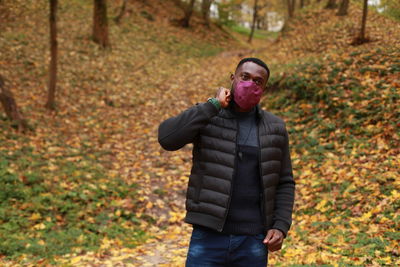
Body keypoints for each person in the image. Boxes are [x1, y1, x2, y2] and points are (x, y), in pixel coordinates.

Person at [158, 57, 295, 267]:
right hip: (208, 237)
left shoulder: (274, 128)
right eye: (245, 77)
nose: (250, 84)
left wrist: (281, 225)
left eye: (258, 81)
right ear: (233, 78)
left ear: (264, 89)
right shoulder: (209, 115)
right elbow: (167, 139)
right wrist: (212, 106)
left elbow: (285, 182)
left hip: (253, 241)